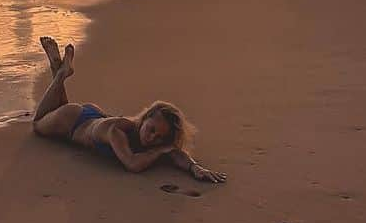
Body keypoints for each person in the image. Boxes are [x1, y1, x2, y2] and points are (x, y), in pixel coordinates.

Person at [31, 36, 225, 182]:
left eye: (159, 137)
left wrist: (195, 168)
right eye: (151, 130)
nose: (152, 138)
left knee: (58, 107)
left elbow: (174, 153)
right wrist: (162, 150)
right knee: (38, 124)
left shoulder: (146, 137)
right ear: (145, 118)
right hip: (72, 121)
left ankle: (57, 67)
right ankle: (60, 75)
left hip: (90, 116)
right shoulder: (118, 131)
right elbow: (132, 164)